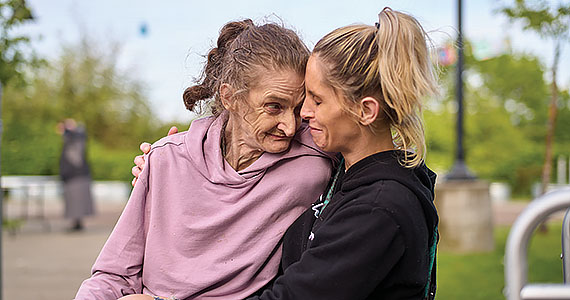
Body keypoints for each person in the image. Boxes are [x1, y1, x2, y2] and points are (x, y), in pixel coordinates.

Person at [130, 7, 439, 300]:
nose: (302, 115)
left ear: (366, 110)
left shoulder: (378, 210)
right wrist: (176, 159)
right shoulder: (346, 172)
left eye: (316, 100)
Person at [74, 19, 333, 300]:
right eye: (274, 107)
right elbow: (115, 275)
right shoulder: (166, 158)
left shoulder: (313, 161)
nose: (290, 126)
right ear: (230, 97)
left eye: (298, 109)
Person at [58, 118, 94, 232]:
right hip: (73, 175)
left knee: (77, 202)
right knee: (74, 203)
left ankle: (78, 224)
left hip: (76, 175)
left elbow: (78, 136)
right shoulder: (72, 139)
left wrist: (68, 129)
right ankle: (76, 223)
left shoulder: (76, 138)